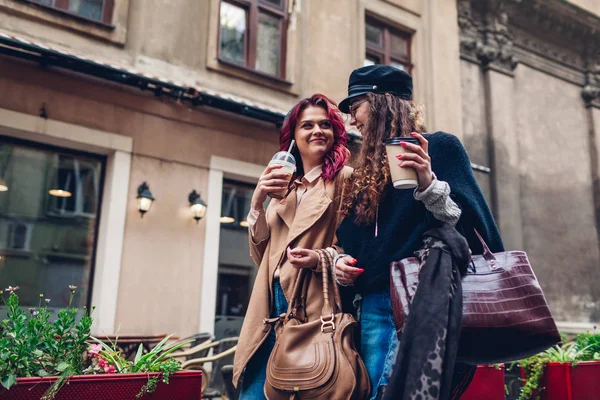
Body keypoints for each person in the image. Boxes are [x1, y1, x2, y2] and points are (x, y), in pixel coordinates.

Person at [334, 65, 504, 399]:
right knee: (373, 392)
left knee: (409, 392)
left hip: (422, 295)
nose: (352, 120)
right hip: (374, 303)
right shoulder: (366, 171)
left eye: (356, 108)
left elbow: (468, 225)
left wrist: (428, 182)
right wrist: (341, 264)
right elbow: (354, 241)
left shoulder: (440, 147)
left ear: (381, 102)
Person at [232, 94, 353, 399]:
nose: (317, 131)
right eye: (307, 125)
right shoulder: (285, 184)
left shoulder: (344, 180)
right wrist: (258, 203)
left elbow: (355, 247)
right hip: (268, 305)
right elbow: (264, 255)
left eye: (325, 124)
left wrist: (318, 258)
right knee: (254, 392)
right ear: (293, 137)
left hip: (311, 302)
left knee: (307, 387)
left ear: (335, 132)